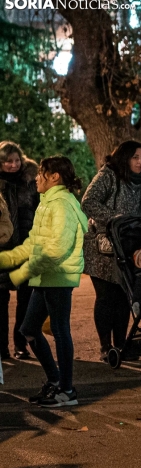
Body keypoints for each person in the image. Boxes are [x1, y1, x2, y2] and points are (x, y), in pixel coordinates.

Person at [0, 156, 88, 406]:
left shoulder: (60, 204)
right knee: (28, 330)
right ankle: (55, 381)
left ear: (54, 177)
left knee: (60, 331)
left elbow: (56, 249)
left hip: (58, 276)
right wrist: (7, 261)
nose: (36, 177)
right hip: (45, 277)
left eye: (41, 173)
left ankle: (67, 390)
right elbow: (34, 243)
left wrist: (19, 273)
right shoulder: (47, 202)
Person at [82, 140, 141, 361]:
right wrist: (115, 218)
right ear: (125, 158)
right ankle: (106, 346)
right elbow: (88, 201)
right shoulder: (109, 175)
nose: (139, 162)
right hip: (103, 248)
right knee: (105, 297)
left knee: (124, 297)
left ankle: (121, 344)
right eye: (135, 157)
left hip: (128, 248)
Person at [0, 141, 37, 360]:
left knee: (26, 299)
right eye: (8, 161)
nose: (13, 165)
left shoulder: (30, 182)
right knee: (0, 301)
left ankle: (20, 344)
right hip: (3, 249)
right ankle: (2, 347)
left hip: (26, 248)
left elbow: (38, 209)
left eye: (16, 161)